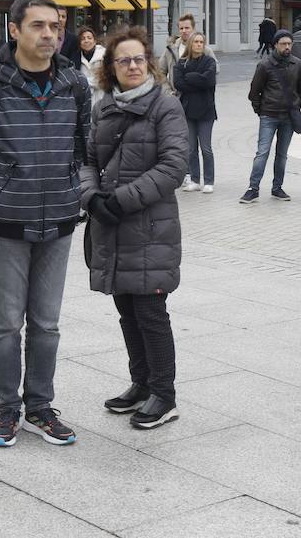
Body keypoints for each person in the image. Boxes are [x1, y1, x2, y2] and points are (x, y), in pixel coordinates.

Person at [0, 0, 91, 448]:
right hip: (5, 223)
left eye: (54, 26)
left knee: (48, 323)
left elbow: (82, 147)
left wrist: (68, 189)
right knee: (8, 322)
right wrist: (1, 191)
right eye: (37, 25)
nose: (48, 34)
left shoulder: (75, 82)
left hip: (60, 220)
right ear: (15, 30)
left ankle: (40, 407)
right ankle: (7, 410)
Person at [81, 27, 188, 430]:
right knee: (126, 308)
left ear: (150, 64)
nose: (131, 66)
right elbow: (87, 159)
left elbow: (173, 166)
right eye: (123, 60)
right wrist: (91, 197)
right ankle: (140, 384)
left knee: (150, 311)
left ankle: (165, 393)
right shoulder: (103, 107)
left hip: (149, 228)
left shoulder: (166, 107)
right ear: (110, 67)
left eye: (138, 59)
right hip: (108, 224)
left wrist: (118, 200)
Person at [241, 29, 301, 204]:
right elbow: (254, 92)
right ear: (275, 45)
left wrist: (295, 105)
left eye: (289, 44)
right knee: (262, 152)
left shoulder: (297, 64)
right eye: (283, 44)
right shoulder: (264, 65)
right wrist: (260, 110)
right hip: (269, 115)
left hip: (288, 117)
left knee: (282, 154)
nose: (287, 47)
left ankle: (277, 188)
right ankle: (252, 189)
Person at [173, 31, 218, 193]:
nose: (199, 44)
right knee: (191, 148)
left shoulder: (209, 61)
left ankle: (209, 180)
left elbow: (209, 81)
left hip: (206, 111)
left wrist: (190, 78)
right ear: (190, 44)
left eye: (201, 42)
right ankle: (194, 179)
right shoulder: (182, 63)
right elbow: (178, 83)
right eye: (196, 42)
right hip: (187, 110)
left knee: (206, 147)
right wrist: (197, 79)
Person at [159, 13, 195, 95]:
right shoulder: (170, 49)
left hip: (196, 100)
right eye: (181, 28)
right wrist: (168, 92)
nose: (184, 31)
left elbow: (214, 72)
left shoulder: (204, 49)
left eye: (187, 28)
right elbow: (159, 73)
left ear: (193, 29)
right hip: (176, 98)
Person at [77, 26, 105, 91]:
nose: (86, 41)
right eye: (83, 39)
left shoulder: (104, 55)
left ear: (95, 41)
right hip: (84, 97)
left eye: (89, 38)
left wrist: (83, 81)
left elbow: (103, 81)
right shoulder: (77, 58)